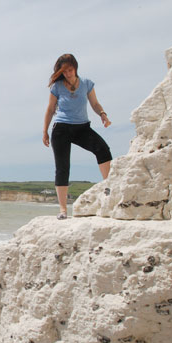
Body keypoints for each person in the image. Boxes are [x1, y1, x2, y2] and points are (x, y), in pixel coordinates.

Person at [42, 53, 112, 220]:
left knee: (103, 149)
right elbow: (50, 109)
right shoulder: (57, 87)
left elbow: (95, 103)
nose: (68, 74)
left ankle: (108, 187)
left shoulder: (86, 84)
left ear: (75, 68)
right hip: (61, 129)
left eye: (70, 70)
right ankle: (63, 210)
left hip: (82, 128)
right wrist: (45, 131)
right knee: (62, 167)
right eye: (64, 71)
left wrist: (102, 114)